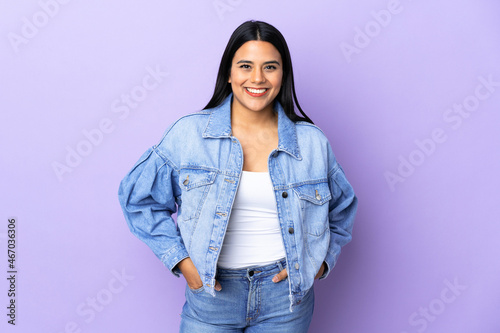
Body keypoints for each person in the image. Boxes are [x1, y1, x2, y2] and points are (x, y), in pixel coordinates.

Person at [118, 20, 358, 333]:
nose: (257, 78)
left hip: (285, 302)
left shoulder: (311, 143)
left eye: (270, 67)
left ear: (282, 74)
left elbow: (342, 210)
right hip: (211, 297)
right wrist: (181, 261)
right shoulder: (189, 135)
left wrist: (319, 263)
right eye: (246, 66)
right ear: (229, 73)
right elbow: (138, 199)